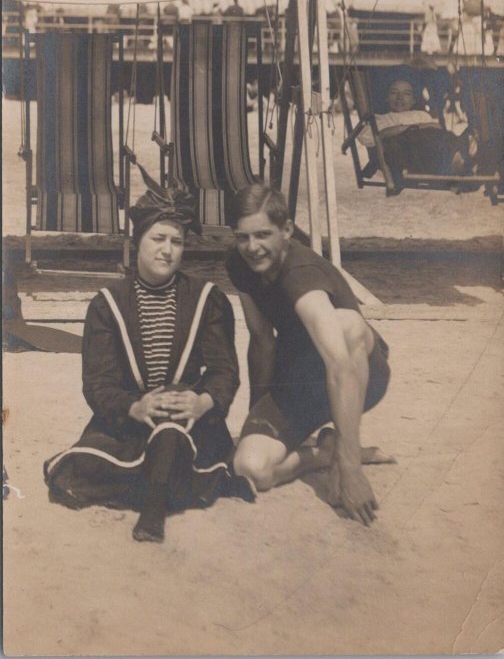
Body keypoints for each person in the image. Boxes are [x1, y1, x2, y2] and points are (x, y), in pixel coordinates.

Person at [45, 181, 254, 544]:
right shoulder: (107, 304)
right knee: (84, 466)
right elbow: (98, 383)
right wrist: (136, 406)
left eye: (177, 242)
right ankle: (161, 481)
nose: (167, 250)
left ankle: (153, 506)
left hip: (189, 422)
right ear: (138, 240)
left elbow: (224, 371)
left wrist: (201, 402)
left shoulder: (207, 298)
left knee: (173, 417)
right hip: (131, 422)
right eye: (158, 239)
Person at [226, 184, 392, 527]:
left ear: (286, 230)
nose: (252, 248)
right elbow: (261, 342)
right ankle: (323, 453)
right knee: (250, 468)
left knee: (348, 326)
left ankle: (346, 451)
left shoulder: (301, 275)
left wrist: (351, 470)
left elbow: (340, 366)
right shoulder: (240, 264)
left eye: (262, 235)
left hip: (359, 376)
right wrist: (255, 416)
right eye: (242, 237)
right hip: (301, 380)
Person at [357, 77, 477, 192]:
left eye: (406, 94)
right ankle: (456, 163)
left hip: (430, 153)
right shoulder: (380, 119)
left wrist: (407, 128)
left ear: (414, 100)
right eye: (394, 92)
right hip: (405, 157)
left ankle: (458, 161)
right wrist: (409, 129)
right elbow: (366, 137)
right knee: (398, 141)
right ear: (387, 98)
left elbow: (438, 128)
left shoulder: (420, 115)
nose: (400, 97)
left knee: (446, 137)